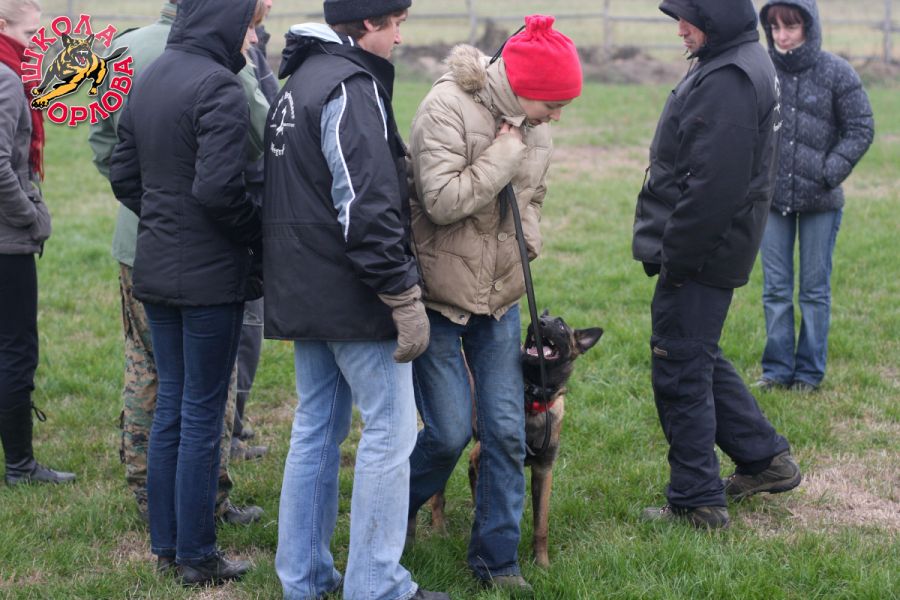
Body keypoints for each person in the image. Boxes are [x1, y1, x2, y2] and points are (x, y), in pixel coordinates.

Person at [264, 1, 448, 598]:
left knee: (316, 428)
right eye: (396, 24)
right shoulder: (349, 85)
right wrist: (401, 294)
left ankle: (305, 580)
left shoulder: (301, 80)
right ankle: (376, 586)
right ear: (369, 23)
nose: (400, 37)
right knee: (391, 433)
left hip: (307, 288)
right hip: (354, 295)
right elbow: (364, 204)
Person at [405, 15, 582, 593]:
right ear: (525, 87)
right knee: (449, 433)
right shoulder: (446, 107)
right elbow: (438, 200)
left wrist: (529, 238)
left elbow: (534, 194)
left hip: (502, 302)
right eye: (553, 104)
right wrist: (503, 155)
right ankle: (394, 511)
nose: (557, 117)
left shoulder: (537, 126)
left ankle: (497, 562)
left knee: (506, 433)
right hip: (441, 300)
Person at [87, 0, 266, 525]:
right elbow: (259, 134)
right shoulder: (222, 64)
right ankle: (206, 501)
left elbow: (106, 143)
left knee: (146, 369)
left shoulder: (124, 49)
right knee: (207, 388)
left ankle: (149, 491)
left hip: (141, 240)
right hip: (209, 245)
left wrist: (156, 204)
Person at [632, 0, 802, 529]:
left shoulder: (731, 77)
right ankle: (764, 458)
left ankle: (696, 500)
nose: (680, 29)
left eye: (689, 19)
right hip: (714, 250)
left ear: (717, 19)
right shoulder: (737, 59)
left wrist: (677, 259)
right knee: (695, 354)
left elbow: (713, 190)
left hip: (701, 254)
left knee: (680, 368)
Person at [755, 0, 874, 393]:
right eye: (775, 27)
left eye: (790, 26)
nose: (782, 36)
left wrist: (830, 171)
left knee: (813, 291)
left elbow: (861, 127)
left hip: (821, 202)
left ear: (809, 26)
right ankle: (776, 370)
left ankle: (808, 373)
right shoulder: (762, 72)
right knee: (775, 289)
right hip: (772, 201)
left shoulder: (837, 72)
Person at [0, 0, 75, 486]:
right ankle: (20, 465)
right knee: (16, 349)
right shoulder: (7, 79)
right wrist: (30, 217)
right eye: (30, 33)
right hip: (6, 241)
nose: (37, 42)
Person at [229, 0, 278, 459]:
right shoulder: (240, 55)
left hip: (251, 198)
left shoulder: (253, 47)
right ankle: (227, 429)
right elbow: (270, 127)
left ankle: (234, 425)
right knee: (245, 327)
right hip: (245, 202)